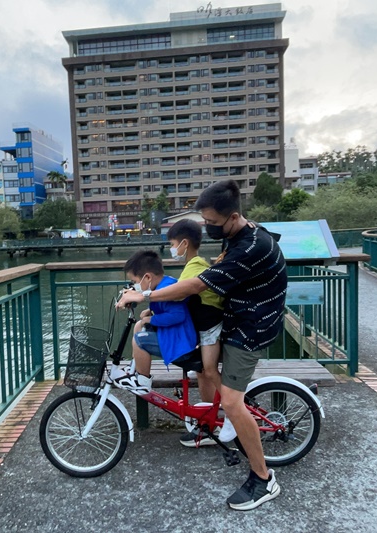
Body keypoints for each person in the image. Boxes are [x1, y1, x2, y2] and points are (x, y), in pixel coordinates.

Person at [117, 180, 287, 511]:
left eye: (211, 223)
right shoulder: (243, 233)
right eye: (204, 220)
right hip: (235, 317)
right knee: (202, 372)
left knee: (234, 402)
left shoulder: (250, 248)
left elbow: (193, 285)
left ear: (233, 217)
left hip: (251, 328)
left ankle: (263, 479)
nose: (206, 227)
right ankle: (211, 426)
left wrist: (144, 295)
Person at [166, 219, 225, 447]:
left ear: (184, 243)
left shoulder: (195, 266)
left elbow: (176, 295)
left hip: (211, 328)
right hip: (206, 328)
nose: (172, 249)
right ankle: (209, 422)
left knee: (209, 370)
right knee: (202, 370)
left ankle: (232, 413)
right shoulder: (195, 264)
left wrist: (148, 302)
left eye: (172, 244)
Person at [112, 250, 198, 395]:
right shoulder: (163, 283)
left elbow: (178, 315)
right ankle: (134, 369)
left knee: (139, 341)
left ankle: (143, 382)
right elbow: (165, 308)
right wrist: (150, 312)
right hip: (176, 336)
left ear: (147, 278)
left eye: (135, 281)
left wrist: (152, 319)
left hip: (180, 343)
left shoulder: (166, 289)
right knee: (140, 325)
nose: (134, 285)